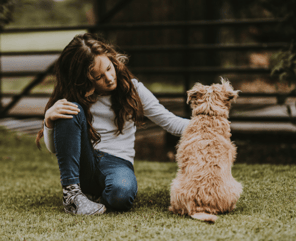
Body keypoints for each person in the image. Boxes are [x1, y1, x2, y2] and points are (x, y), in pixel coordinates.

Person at [36, 33, 189, 215]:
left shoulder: (133, 90)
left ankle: (93, 198)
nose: (109, 78)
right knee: (69, 108)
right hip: (85, 162)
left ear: (113, 60)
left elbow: (171, 122)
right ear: (84, 79)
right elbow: (55, 150)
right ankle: (72, 196)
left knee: (121, 195)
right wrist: (49, 120)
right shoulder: (73, 98)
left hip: (118, 163)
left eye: (109, 68)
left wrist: (210, 126)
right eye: (98, 77)